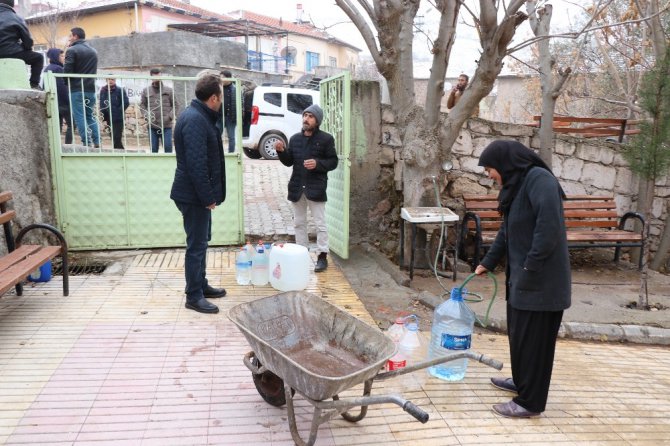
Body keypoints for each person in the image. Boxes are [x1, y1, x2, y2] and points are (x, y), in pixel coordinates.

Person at [474, 140, 571, 418]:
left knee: (536, 344)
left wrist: (530, 266)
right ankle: (521, 382)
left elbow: (548, 227)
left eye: (490, 168)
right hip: (523, 280)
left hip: (543, 283)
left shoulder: (539, 180)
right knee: (520, 337)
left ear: (506, 164)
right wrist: (487, 263)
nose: (488, 175)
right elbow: (507, 231)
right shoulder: (517, 186)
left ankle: (530, 402)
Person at [170, 74, 227, 314]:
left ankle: (200, 284)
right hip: (193, 196)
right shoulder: (195, 120)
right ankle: (193, 295)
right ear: (214, 97)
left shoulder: (199, 116)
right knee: (196, 245)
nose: (223, 100)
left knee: (201, 242)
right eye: (222, 95)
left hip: (195, 194)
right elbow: (196, 165)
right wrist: (207, 197)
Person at [275, 104, 338, 272]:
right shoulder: (295, 139)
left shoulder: (326, 139)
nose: (306, 119)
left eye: (310, 116)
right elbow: (289, 161)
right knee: (299, 224)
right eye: (305, 115)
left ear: (317, 121)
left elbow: (333, 162)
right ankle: (301, 255)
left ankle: (322, 256)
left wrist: (318, 164)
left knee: (320, 224)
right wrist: (281, 151)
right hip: (297, 187)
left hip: (316, 187)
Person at [64, 27, 100, 148]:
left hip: (77, 89)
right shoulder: (93, 50)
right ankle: (97, 141)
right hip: (90, 89)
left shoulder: (72, 50)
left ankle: (86, 142)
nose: (69, 38)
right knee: (90, 115)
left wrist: (66, 82)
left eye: (70, 36)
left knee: (79, 116)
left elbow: (67, 69)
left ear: (75, 36)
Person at [0, 0, 43, 89]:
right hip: (13, 52)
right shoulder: (16, 18)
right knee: (39, 58)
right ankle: (34, 84)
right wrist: (25, 48)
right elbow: (28, 40)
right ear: (12, 5)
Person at [141, 68, 175, 153]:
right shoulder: (146, 91)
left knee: (168, 148)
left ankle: (168, 165)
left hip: (166, 125)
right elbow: (142, 105)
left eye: (159, 75)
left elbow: (176, 105)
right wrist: (147, 116)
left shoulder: (169, 90)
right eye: (155, 76)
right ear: (151, 77)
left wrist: (170, 117)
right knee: (154, 149)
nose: (157, 78)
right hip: (152, 125)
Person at [43, 48, 73, 144]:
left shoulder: (47, 68)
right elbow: (62, 87)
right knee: (71, 125)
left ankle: (57, 146)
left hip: (53, 102)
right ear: (55, 57)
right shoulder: (58, 69)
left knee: (57, 126)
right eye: (61, 56)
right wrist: (68, 101)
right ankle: (68, 146)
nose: (63, 58)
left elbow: (44, 86)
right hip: (63, 102)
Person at [99, 78, 129, 149]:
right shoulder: (103, 90)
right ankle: (121, 152)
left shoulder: (120, 90)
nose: (110, 81)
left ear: (115, 80)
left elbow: (126, 102)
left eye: (112, 79)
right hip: (108, 117)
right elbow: (102, 103)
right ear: (106, 80)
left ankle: (119, 153)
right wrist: (103, 116)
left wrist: (118, 111)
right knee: (113, 137)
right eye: (108, 79)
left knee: (117, 137)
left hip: (118, 118)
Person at [221, 70, 237, 153]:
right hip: (219, 116)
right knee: (216, 135)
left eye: (222, 77)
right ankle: (217, 153)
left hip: (231, 117)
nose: (221, 79)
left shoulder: (235, 89)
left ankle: (231, 153)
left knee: (231, 137)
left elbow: (240, 103)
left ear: (228, 78)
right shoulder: (218, 88)